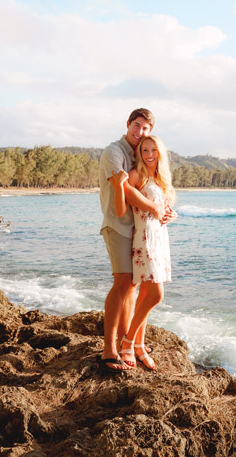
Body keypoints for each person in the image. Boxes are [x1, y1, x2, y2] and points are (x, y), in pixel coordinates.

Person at [98, 108, 171, 372]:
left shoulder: (138, 153)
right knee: (122, 285)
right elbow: (125, 190)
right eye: (136, 126)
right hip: (118, 225)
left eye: (145, 129)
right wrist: (154, 208)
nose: (139, 133)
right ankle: (110, 349)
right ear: (128, 124)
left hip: (138, 230)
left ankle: (128, 342)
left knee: (132, 287)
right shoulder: (114, 152)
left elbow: (153, 191)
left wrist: (164, 209)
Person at [113, 134, 175, 370]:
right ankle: (128, 341)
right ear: (140, 154)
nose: (149, 155)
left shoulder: (159, 178)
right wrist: (120, 184)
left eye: (153, 150)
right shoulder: (136, 174)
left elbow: (165, 209)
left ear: (160, 153)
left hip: (160, 238)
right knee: (156, 295)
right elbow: (122, 207)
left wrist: (172, 214)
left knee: (147, 294)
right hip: (145, 238)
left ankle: (138, 346)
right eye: (145, 150)